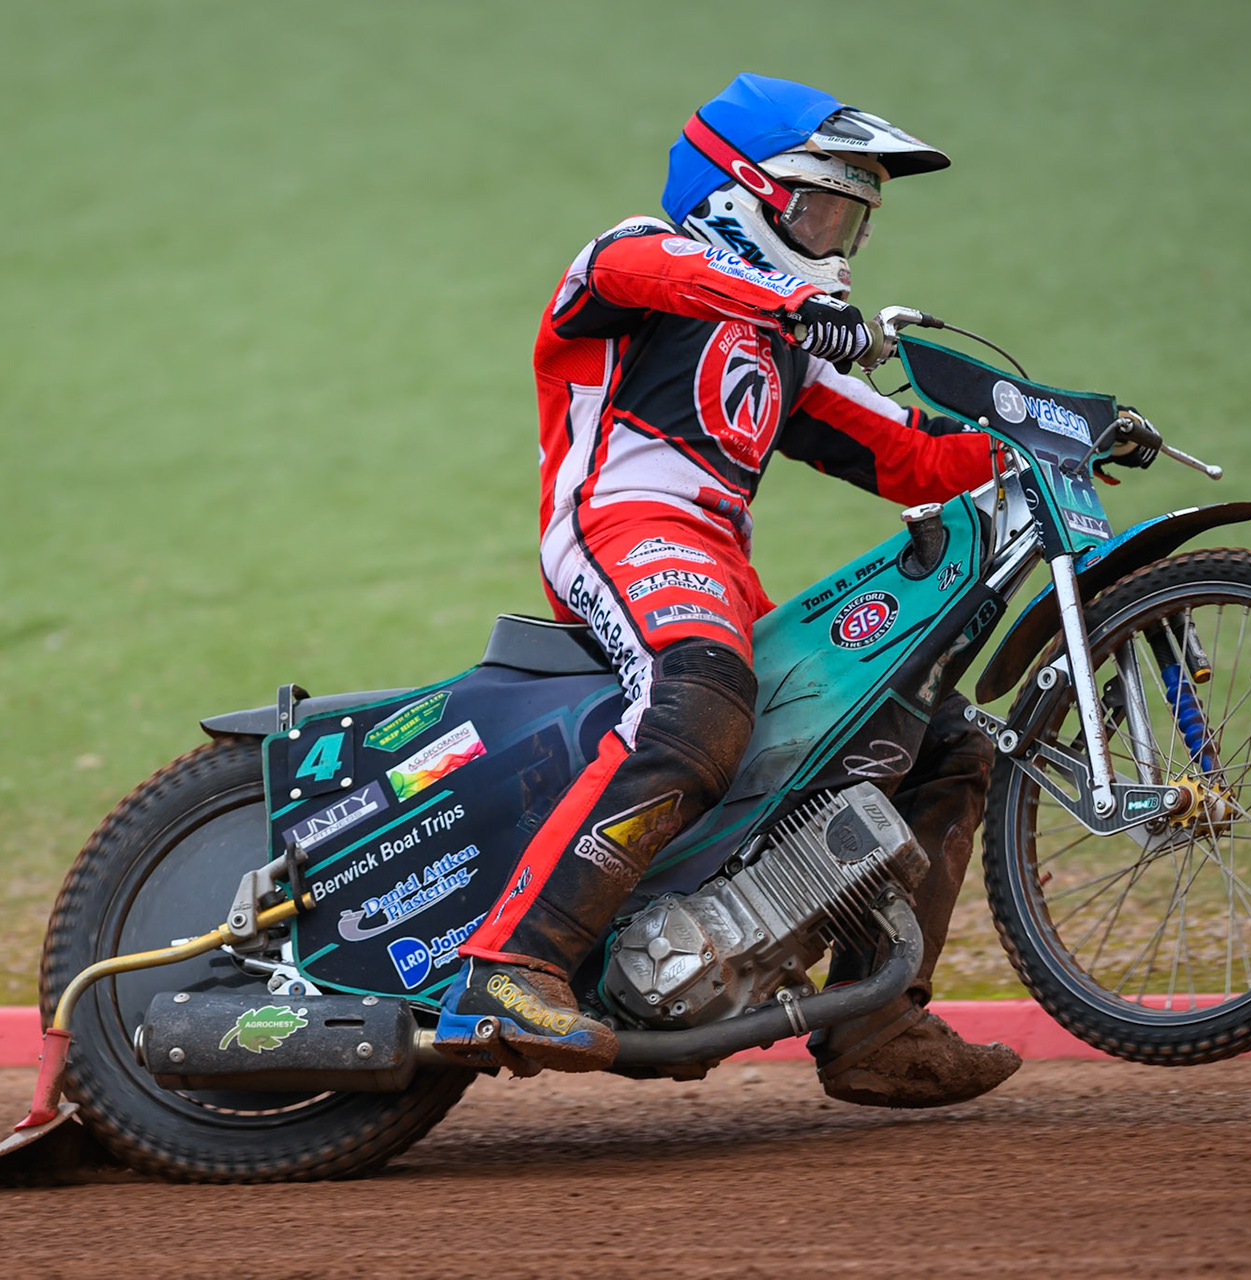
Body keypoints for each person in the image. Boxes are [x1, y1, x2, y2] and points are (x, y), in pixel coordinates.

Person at [438, 74, 1023, 1107]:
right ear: (738, 189)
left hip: (718, 560)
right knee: (700, 696)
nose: (836, 237)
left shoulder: (791, 343)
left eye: (854, 217)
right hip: (620, 523)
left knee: (939, 733)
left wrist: (1047, 436)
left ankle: (878, 1023)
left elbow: (914, 456)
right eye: (819, 206)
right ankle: (510, 963)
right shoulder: (634, 258)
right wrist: (798, 303)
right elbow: (655, 266)